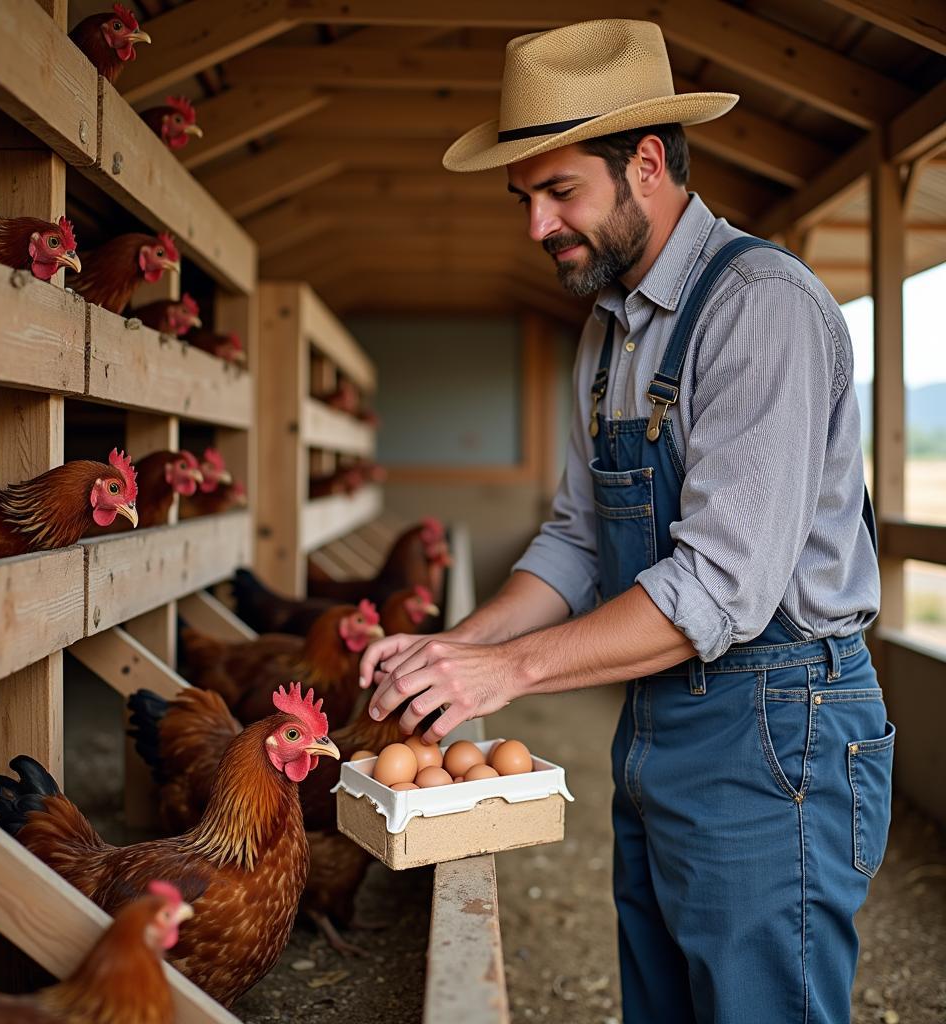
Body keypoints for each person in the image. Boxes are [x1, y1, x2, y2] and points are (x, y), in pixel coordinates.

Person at [359, 18, 895, 1024]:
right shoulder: (609, 329)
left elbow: (719, 587)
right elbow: (575, 539)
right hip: (661, 714)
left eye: (558, 191)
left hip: (780, 720)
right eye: (524, 199)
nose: (536, 226)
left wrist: (508, 672)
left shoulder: (758, 307)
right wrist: (455, 644)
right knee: (663, 1002)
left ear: (645, 162)